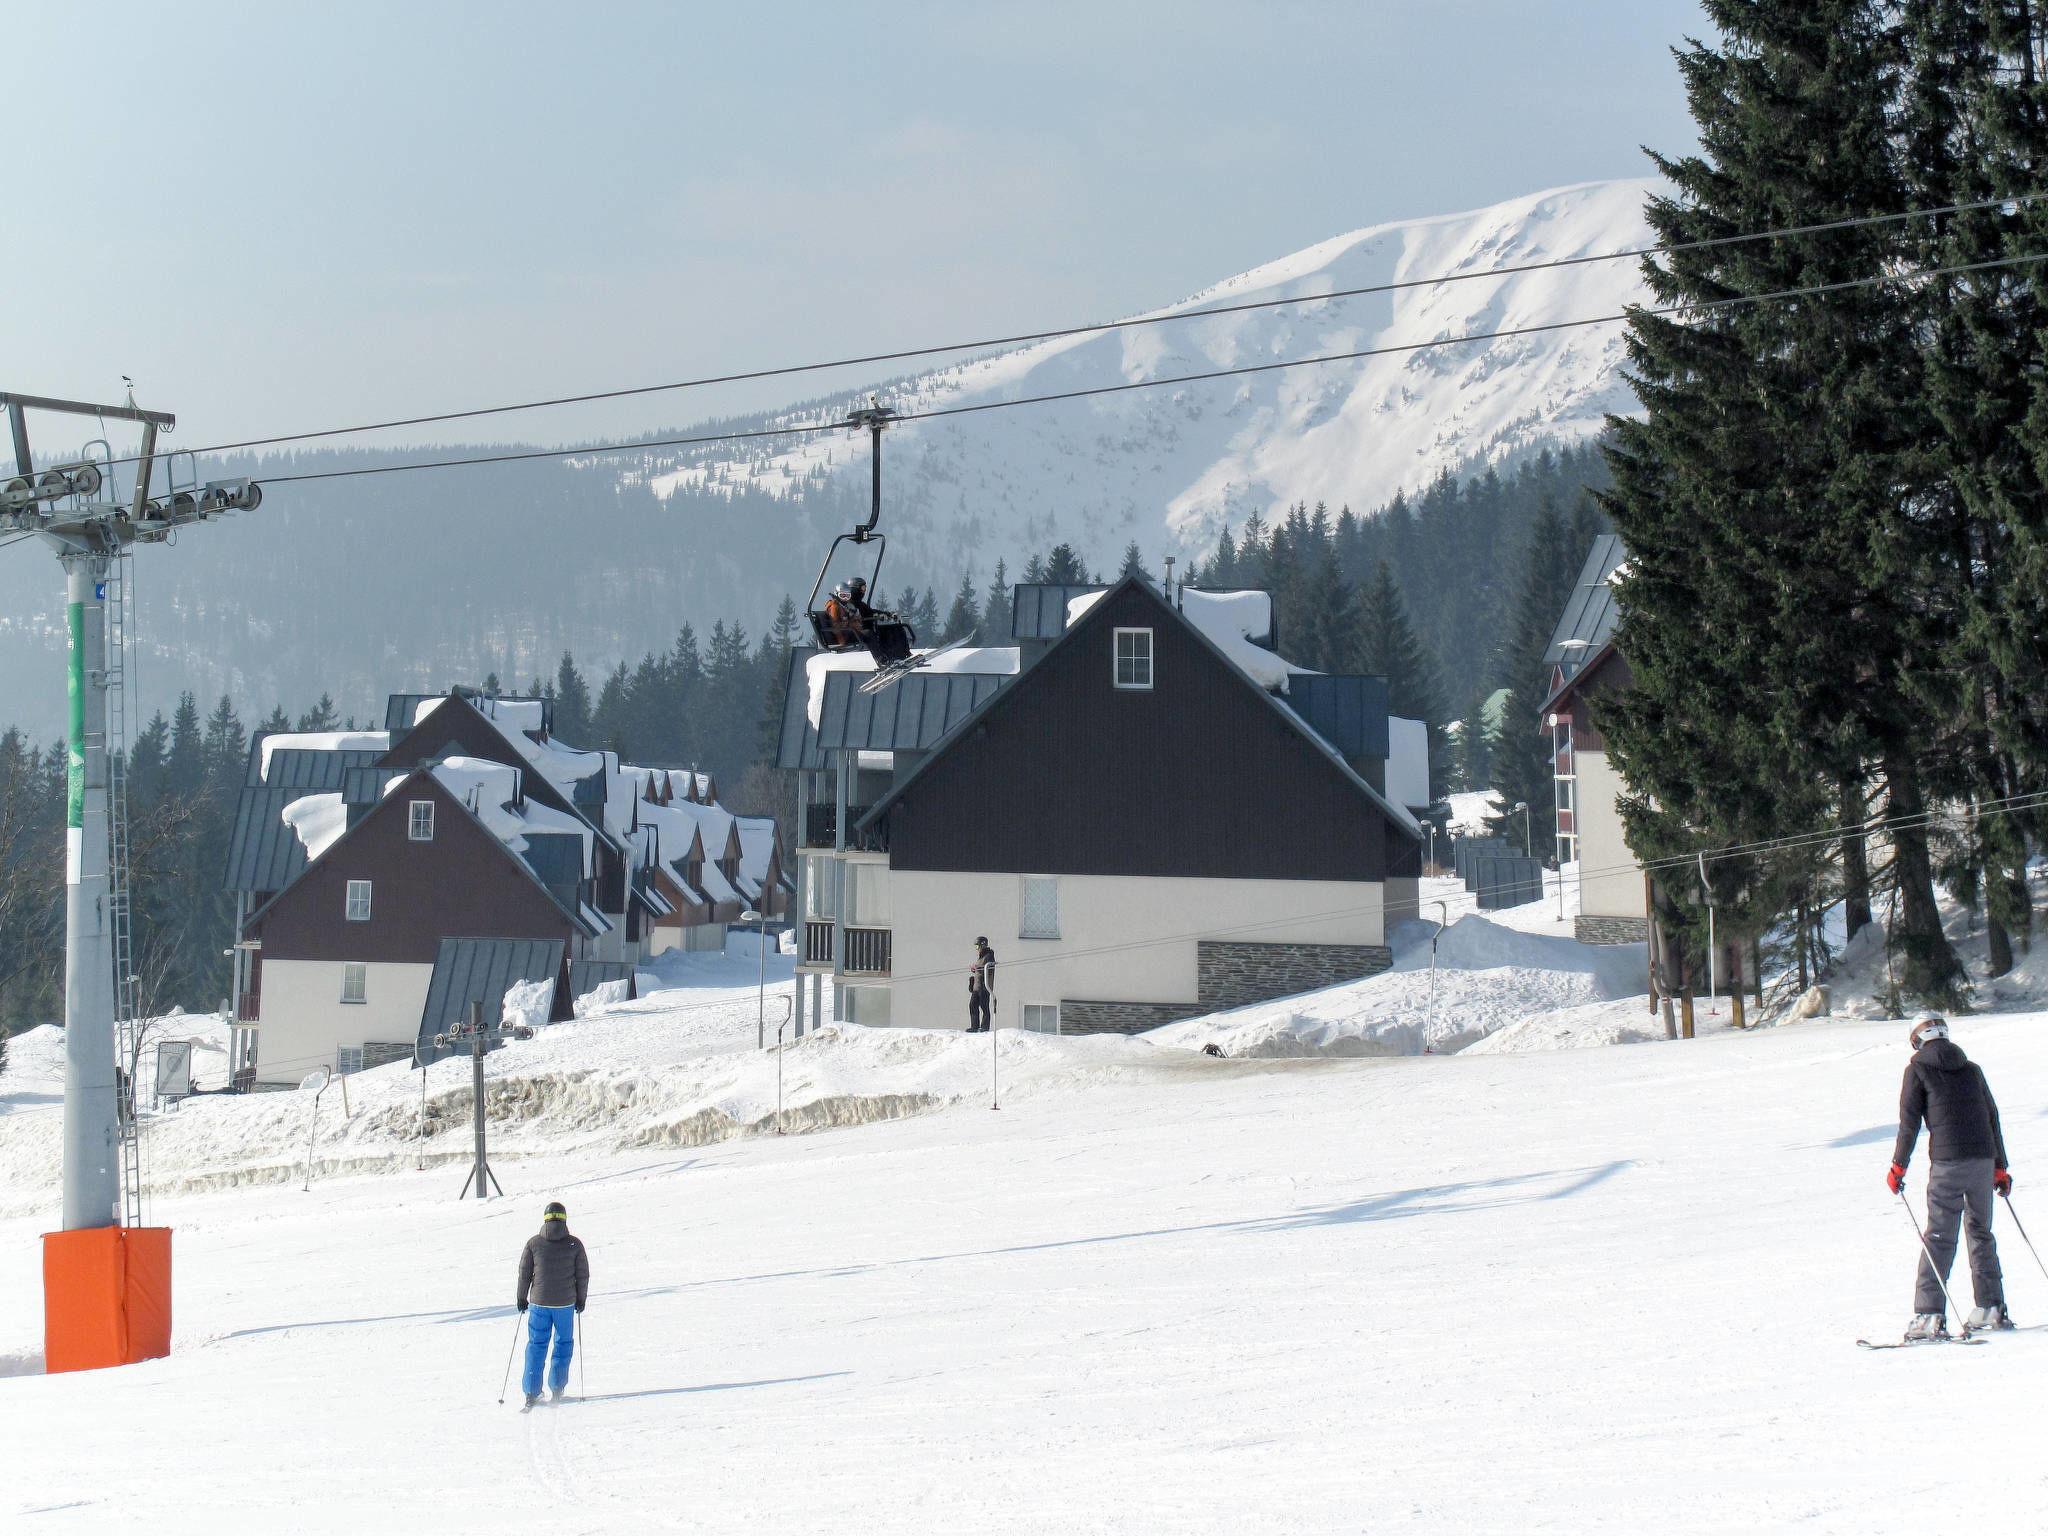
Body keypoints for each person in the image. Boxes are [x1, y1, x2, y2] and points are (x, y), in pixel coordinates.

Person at [1887, 1017, 2013, 1338]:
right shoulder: (1972, 1069)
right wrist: (2000, 1166)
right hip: (1983, 1160)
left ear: (1917, 1040)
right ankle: (1991, 1307)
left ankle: (1929, 1316)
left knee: (1940, 1237)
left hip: (1948, 1163)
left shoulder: (1917, 1070)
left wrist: (1898, 1167)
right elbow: (1991, 1117)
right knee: (1980, 1231)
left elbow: (1909, 1124)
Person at [516, 1200, 590, 1406]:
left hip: (539, 1303)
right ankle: (557, 1387)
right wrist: (581, 1299)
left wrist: (522, 1297)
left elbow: (524, 1274)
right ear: (564, 1219)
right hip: (565, 1304)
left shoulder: (534, 1243)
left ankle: (532, 1391)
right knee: (563, 1343)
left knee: (536, 1344)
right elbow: (583, 1275)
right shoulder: (574, 1244)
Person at [967, 936, 996, 1033]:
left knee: (984, 1006)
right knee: (972, 1005)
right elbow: (980, 969)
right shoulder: (981, 957)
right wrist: (974, 969)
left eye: (977, 946)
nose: (977, 949)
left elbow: (988, 969)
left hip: (984, 986)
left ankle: (984, 1027)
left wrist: (977, 967)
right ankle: (974, 1026)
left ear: (982, 945)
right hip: (977, 986)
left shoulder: (989, 955)